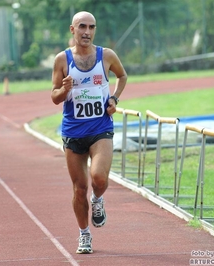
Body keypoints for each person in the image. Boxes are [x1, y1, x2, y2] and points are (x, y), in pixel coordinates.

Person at [51, 11, 127, 254]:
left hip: (100, 128)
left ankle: (98, 200)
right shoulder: (62, 60)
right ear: (72, 30)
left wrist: (114, 98)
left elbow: (122, 75)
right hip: (73, 131)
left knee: (99, 179)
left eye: (91, 27)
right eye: (82, 26)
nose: (87, 31)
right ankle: (84, 235)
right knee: (79, 188)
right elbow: (54, 97)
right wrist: (64, 90)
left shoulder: (107, 56)